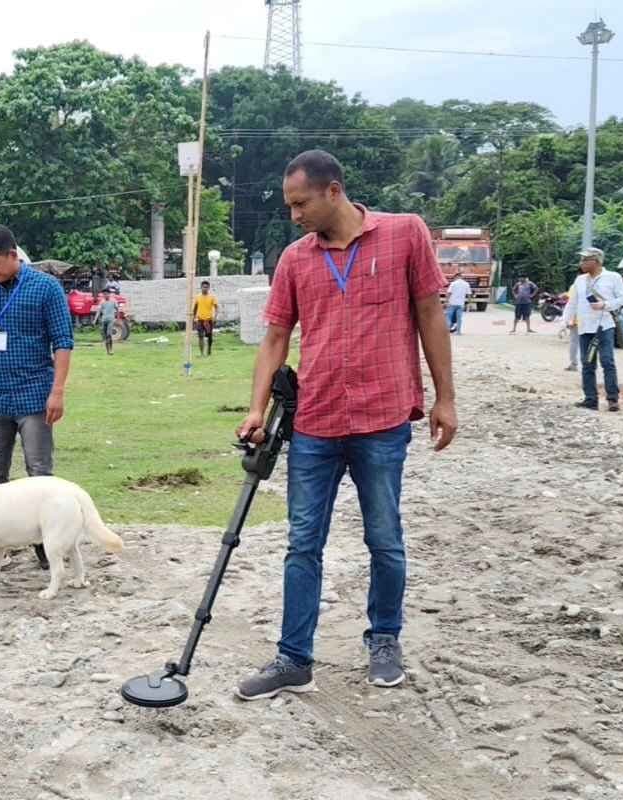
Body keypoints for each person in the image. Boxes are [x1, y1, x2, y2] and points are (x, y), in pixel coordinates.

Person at [235, 150, 457, 700]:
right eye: (290, 205)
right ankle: (293, 658)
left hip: (383, 418)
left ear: (333, 191)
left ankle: (384, 639)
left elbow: (431, 315)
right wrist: (256, 408)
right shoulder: (295, 260)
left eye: (300, 203)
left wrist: (445, 398)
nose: (294, 215)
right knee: (303, 542)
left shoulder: (405, 235)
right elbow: (276, 336)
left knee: (385, 539)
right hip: (316, 421)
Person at [0, 224, 74, 569]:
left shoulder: (46, 288)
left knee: (40, 474)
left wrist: (58, 392)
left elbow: (63, 342)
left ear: (13, 254)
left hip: (36, 398)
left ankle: (45, 545)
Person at [566, 247, 623, 412]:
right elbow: (572, 302)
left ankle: (612, 400)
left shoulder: (613, 277)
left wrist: (605, 305)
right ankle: (590, 399)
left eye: (585, 260)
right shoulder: (580, 280)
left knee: (607, 362)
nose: (582, 263)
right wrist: (568, 320)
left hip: (604, 326)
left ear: (597, 261)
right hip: (585, 327)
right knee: (587, 364)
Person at [193, 280, 218, 356]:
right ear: (201, 287)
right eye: (203, 287)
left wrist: (215, 317)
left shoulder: (212, 297)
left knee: (209, 336)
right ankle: (202, 353)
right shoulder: (197, 297)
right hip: (200, 320)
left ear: (209, 288)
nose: (205, 289)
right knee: (200, 336)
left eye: (206, 287)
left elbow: (216, 308)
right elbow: (195, 308)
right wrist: (194, 318)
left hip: (209, 320)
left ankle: (209, 349)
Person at [97, 288, 120, 356]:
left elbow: (117, 309)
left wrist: (117, 318)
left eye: (106, 294)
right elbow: (99, 311)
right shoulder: (102, 302)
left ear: (109, 294)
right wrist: (95, 319)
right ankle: (108, 351)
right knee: (105, 336)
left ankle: (111, 349)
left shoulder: (113, 301)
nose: (105, 295)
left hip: (111, 320)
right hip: (104, 320)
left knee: (109, 334)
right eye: (104, 294)